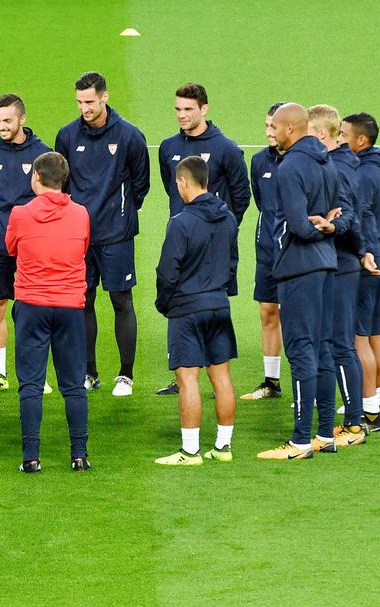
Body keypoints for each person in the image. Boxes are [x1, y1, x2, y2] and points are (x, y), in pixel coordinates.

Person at [55, 72, 150, 397]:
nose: (85, 108)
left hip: (116, 235)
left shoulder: (129, 136)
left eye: (90, 102)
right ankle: (89, 372)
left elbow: (141, 185)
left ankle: (125, 375)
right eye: (80, 102)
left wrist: (118, 215)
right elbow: (62, 186)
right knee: (83, 301)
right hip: (78, 236)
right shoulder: (67, 136)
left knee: (121, 300)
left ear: (105, 97)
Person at [154, 83, 249, 395]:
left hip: (211, 246)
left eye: (188, 110)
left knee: (208, 302)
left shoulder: (227, 149)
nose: (182, 115)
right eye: (178, 109)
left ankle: (210, 376)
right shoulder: (168, 147)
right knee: (183, 304)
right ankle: (185, 373)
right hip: (180, 237)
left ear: (204, 109)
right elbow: (171, 188)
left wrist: (221, 230)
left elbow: (241, 196)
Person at [257, 103, 340, 460]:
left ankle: (301, 440)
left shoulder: (290, 166)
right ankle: (325, 435)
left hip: (299, 268)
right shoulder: (327, 161)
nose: (270, 132)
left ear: (291, 128)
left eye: (274, 126)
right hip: (327, 266)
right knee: (322, 348)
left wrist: (312, 227)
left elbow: (296, 224)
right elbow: (339, 211)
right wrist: (327, 226)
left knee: (302, 350)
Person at [6, 152, 91, 472]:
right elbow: (82, 248)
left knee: (30, 384)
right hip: (69, 306)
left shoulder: (20, 214)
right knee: (72, 385)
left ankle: (31, 457)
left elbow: (11, 247)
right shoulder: (81, 214)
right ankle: (79, 455)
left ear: (37, 177)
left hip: (32, 305)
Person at [153, 157, 238, 465]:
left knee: (188, 379)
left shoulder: (181, 222)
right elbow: (232, 263)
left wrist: (165, 303)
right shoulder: (228, 218)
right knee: (222, 377)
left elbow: (167, 272)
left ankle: (190, 452)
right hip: (218, 305)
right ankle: (223, 448)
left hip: (187, 309)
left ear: (183, 182)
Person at [0, 93, 51, 392]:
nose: (1, 126)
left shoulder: (42, 155)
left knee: (33, 310)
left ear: (22, 119)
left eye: (7, 120)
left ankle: (35, 377)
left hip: (32, 246)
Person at [310, 104, 374, 446]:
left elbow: (349, 214)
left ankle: (353, 424)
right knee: (333, 343)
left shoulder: (340, 167)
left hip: (340, 265)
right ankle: (347, 418)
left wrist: (333, 226)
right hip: (340, 260)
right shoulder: (336, 163)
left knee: (340, 344)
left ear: (321, 135)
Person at [341, 112, 380, 429]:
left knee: (359, 338)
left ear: (361, 140)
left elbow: (358, 220)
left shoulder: (360, 174)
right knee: (376, 335)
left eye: (343, 134)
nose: (338, 138)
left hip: (367, 260)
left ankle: (369, 410)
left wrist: (361, 253)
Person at [241, 103, 287, 401]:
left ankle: (305, 383)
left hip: (297, 253)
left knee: (298, 318)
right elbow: (261, 202)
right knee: (267, 312)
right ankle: (272, 382)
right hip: (267, 250)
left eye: (274, 126)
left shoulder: (307, 161)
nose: (269, 132)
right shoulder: (259, 161)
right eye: (266, 126)